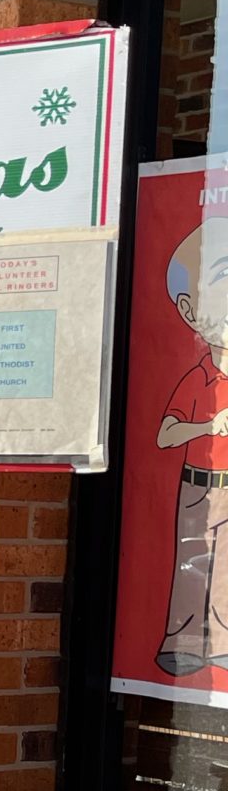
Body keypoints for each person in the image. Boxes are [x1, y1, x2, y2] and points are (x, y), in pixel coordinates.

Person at [155, 219, 228, 676]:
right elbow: (165, 434)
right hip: (198, 487)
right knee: (190, 559)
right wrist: (207, 426)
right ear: (189, 308)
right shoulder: (198, 377)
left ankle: (222, 643)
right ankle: (181, 644)